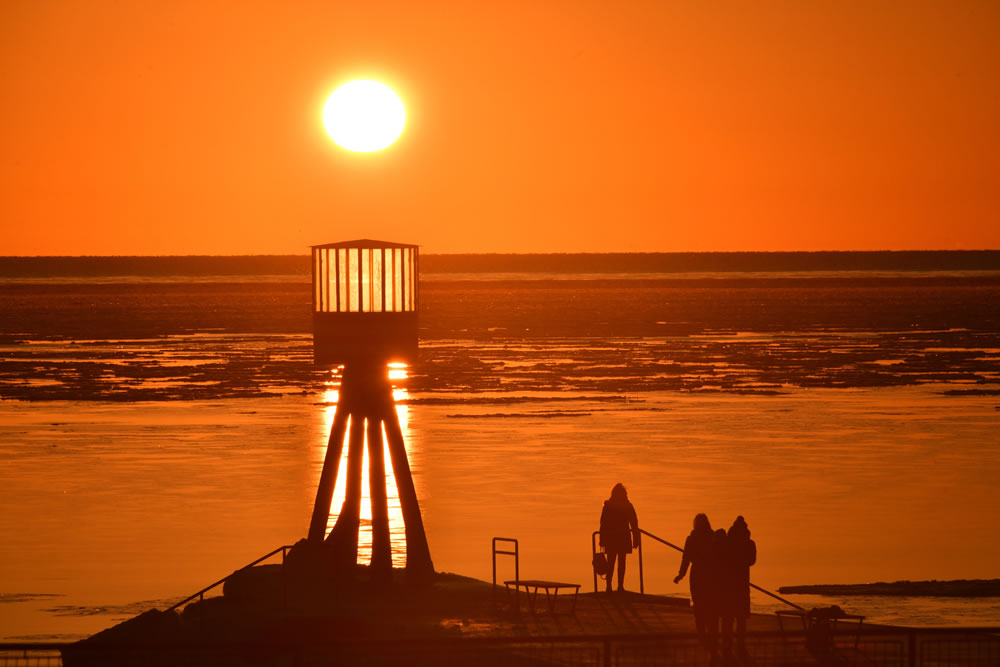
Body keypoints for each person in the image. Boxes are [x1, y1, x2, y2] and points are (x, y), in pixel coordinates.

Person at [674, 514, 717, 657]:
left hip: (697, 574)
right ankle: (712, 634)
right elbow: (720, 557)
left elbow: (685, 558)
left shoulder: (691, 539)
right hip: (711, 574)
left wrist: (681, 574)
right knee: (710, 604)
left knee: (698, 605)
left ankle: (701, 634)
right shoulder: (713, 536)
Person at [724, 515, 757, 660]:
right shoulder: (749, 544)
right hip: (742, 584)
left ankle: (728, 645)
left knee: (729, 617)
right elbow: (752, 561)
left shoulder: (728, 543)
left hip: (728, 584)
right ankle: (740, 645)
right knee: (741, 617)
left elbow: (721, 559)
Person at [599, 483, 639, 592]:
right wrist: (636, 538)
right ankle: (620, 586)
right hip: (623, 537)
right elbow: (634, 522)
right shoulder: (627, 506)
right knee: (621, 562)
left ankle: (609, 586)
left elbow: (603, 524)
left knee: (611, 562)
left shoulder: (608, 506)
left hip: (611, 538)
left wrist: (601, 540)